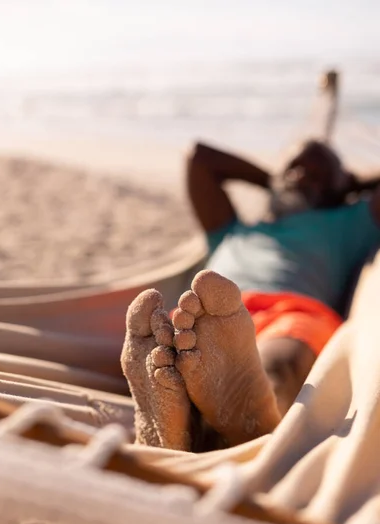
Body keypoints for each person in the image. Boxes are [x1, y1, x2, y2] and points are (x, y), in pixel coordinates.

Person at [120, 139, 380, 453]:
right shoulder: (231, 229)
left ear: (340, 191)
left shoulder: (349, 222)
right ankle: (186, 417)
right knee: (176, 351)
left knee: (279, 363)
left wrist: (353, 185)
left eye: (318, 176)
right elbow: (200, 158)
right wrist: (277, 181)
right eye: (294, 167)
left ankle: (245, 418)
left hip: (290, 312)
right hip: (205, 316)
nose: (301, 176)